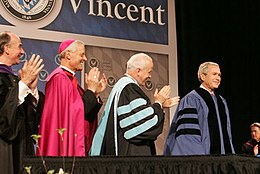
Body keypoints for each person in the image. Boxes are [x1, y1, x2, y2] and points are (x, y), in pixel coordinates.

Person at [90, 53, 180, 156]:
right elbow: (140, 127)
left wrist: (160, 106)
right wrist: (158, 102)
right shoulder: (129, 89)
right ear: (138, 71)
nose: (150, 76)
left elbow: (137, 118)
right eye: (149, 72)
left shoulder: (123, 87)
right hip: (131, 153)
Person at [38, 39, 107, 156]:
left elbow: (85, 115)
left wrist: (95, 93)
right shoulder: (59, 79)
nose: (85, 59)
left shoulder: (70, 81)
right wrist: (90, 90)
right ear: (68, 55)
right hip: (63, 145)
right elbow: (77, 112)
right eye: (82, 54)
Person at [164, 61, 235, 155]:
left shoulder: (221, 101)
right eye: (214, 74)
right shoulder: (191, 99)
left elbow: (227, 135)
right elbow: (188, 134)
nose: (218, 78)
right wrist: (199, 160)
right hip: (202, 160)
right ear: (203, 76)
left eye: (219, 75)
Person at [0, 31, 45, 174]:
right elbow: (3, 119)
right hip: (4, 151)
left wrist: (31, 88)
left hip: (22, 147)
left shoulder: (14, 80)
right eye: (19, 47)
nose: (22, 51)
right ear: (6, 48)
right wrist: (24, 82)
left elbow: (30, 120)